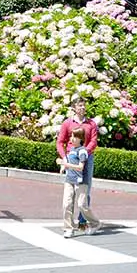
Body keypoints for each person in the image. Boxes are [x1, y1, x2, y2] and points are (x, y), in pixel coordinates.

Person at [56, 97, 98, 228]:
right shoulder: (67, 123)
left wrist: (84, 152)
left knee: (85, 190)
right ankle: (69, 224)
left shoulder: (91, 124)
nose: (83, 108)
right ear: (74, 108)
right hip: (71, 159)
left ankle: (82, 220)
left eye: (84, 106)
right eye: (80, 106)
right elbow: (60, 142)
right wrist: (64, 158)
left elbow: (93, 141)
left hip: (86, 159)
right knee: (70, 192)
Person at [57, 128, 102, 238]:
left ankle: (95, 223)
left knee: (82, 205)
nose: (71, 138)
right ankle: (68, 228)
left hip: (81, 181)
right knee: (66, 204)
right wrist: (64, 166)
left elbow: (80, 167)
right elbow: (69, 161)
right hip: (69, 180)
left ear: (80, 138)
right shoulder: (72, 149)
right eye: (71, 136)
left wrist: (65, 164)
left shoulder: (82, 151)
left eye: (74, 136)